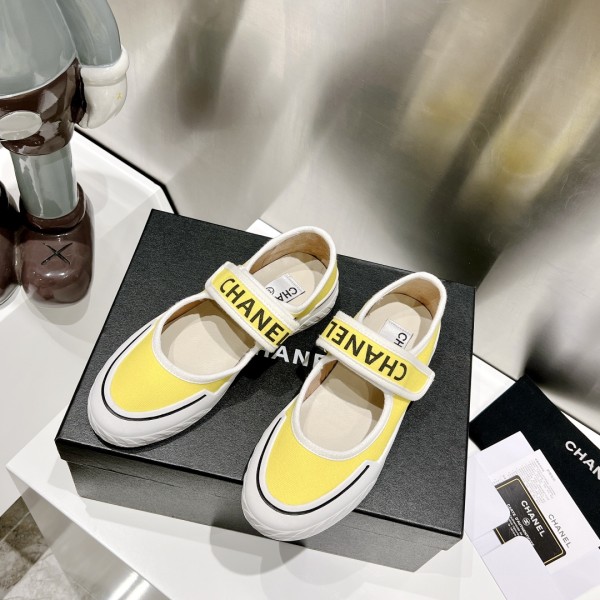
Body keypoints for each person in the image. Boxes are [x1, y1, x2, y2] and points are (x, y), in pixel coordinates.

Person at [0, 0, 128, 303]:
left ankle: (53, 224)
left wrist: (104, 68)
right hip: (36, 71)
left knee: (43, 151)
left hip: (37, 72)